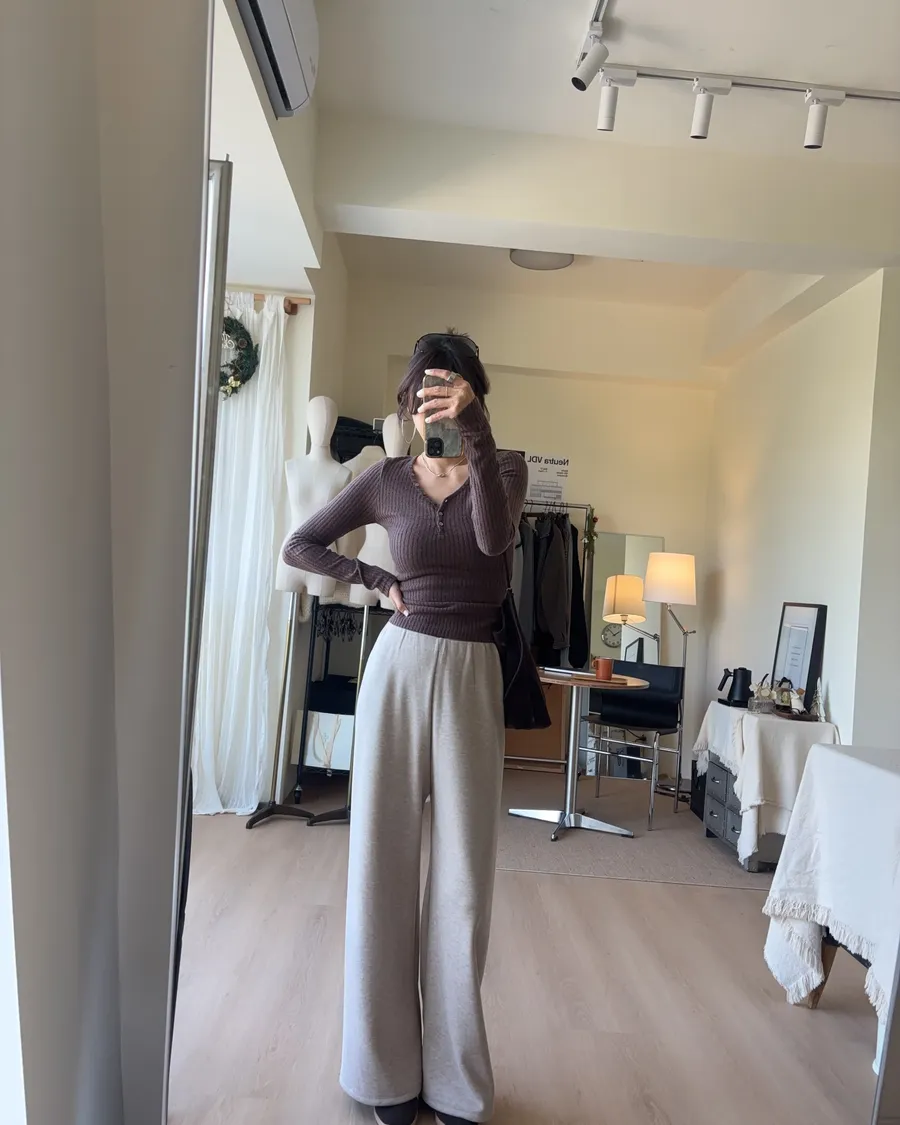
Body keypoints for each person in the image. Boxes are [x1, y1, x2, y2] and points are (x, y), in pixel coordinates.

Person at [282, 331, 528, 1125]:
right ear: (408, 401)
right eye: (426, 389)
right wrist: (373, 576)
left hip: (471, 673)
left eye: (452, 389)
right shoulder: (385, 478)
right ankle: (381, 1069)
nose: (437, 403)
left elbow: (492, 542)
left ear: (474, 395)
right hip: (397, 666)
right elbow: (301, 543)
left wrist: (476, 434)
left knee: (463, 881)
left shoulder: (505, 467)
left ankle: (454, 1079)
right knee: (380, 865)